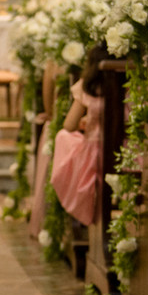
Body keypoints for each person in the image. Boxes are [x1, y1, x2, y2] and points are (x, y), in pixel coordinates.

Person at [50, 45, 107, 226]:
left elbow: (69, 125)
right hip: (127, 151)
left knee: (63, 137)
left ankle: (77, 214)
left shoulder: (88, 86)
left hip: (96, 156)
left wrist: (87, 120)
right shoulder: (131, 80)